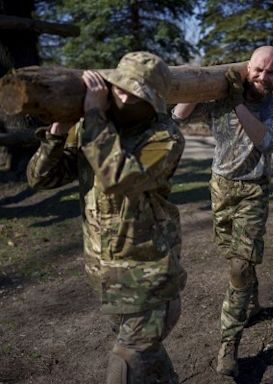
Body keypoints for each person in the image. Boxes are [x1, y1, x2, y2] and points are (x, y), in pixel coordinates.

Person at [26, 52, 187, 383]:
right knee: (149, 359)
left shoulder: (165, 137)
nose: (125, 97)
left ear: (154, 100)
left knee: (125, 365)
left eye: (137, 92)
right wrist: (58, 132)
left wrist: (95, 114)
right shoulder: (93, 126)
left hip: (149, 280)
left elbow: (119, 178)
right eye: (120, 88)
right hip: (107, 277)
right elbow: (40, 179)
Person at [172, 46, 273, 378]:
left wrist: (238, 102)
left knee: (239, 267)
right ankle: (251, 300)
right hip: (220, 188)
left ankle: (229, 343)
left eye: (271, 72)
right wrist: (203, 81)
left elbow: (266, 143)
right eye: (258, 69)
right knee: (235, 258)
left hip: (253, 190)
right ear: (247, 68)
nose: (263, 77)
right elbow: (179, 116)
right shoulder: (221, 99)